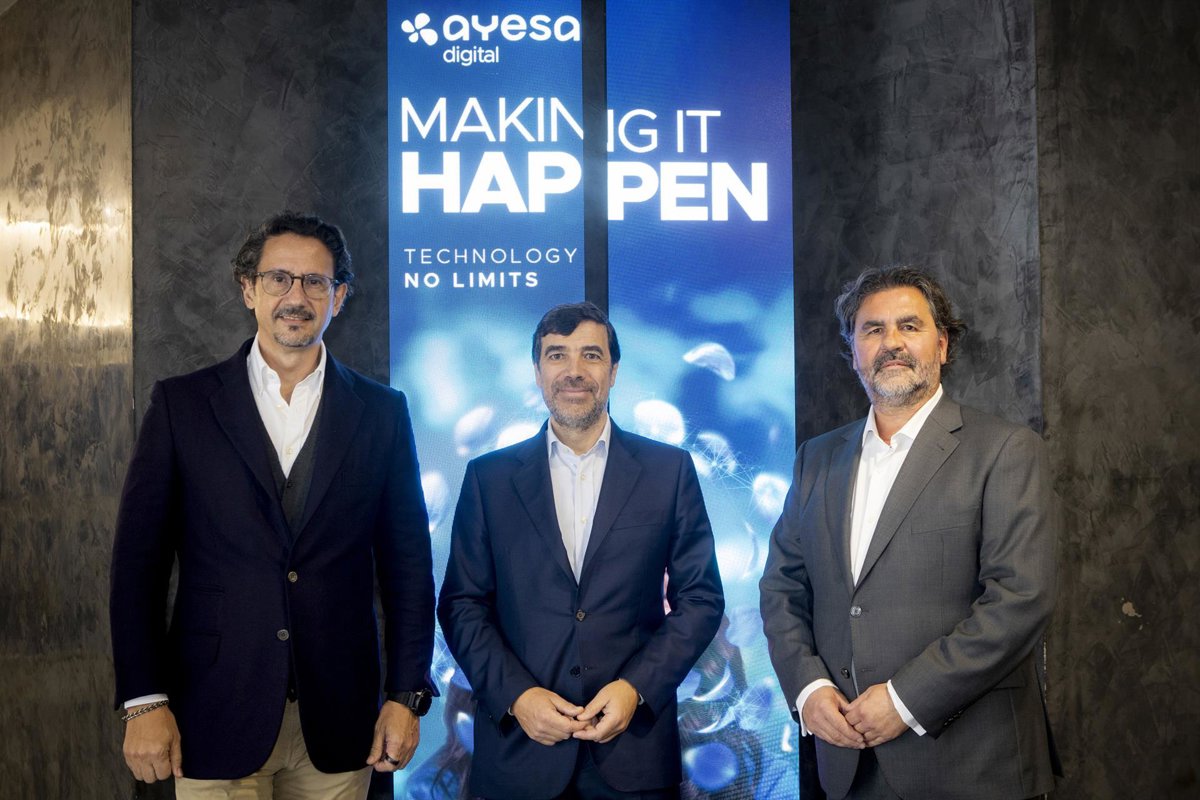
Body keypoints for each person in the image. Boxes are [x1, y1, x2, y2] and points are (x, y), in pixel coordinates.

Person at [109, 211, 437, 798]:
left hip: (343, 723)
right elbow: (138, 567)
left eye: (315, 282)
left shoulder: (383, 413)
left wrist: (406, 695)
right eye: (279, 278)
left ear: (339, 297)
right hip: (211, 713)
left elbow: (409, 569)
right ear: (248, 289)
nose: (296, 296)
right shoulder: (183, 406)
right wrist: (143, 701)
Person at [759, 266, 1059, 800]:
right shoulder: (815, 460)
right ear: (853, 352)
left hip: (972, 766)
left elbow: (1020, 600)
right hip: (848, 760)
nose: (891, 342)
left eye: (909, 326)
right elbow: (782, 588)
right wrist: (808, 688)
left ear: (942, 345)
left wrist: (904, 700)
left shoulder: (1004, 450)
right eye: (873, 329)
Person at [437, 302, 725, 799]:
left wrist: (636, 688)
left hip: (633, 755)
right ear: (537, 372)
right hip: (519, 756)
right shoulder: (489, 479)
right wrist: (517, 697)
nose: (574, 371)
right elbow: (462, 604)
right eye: (557, 355)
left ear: (613, 371)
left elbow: (700, 599)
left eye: (591, 355)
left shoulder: (668, 471)